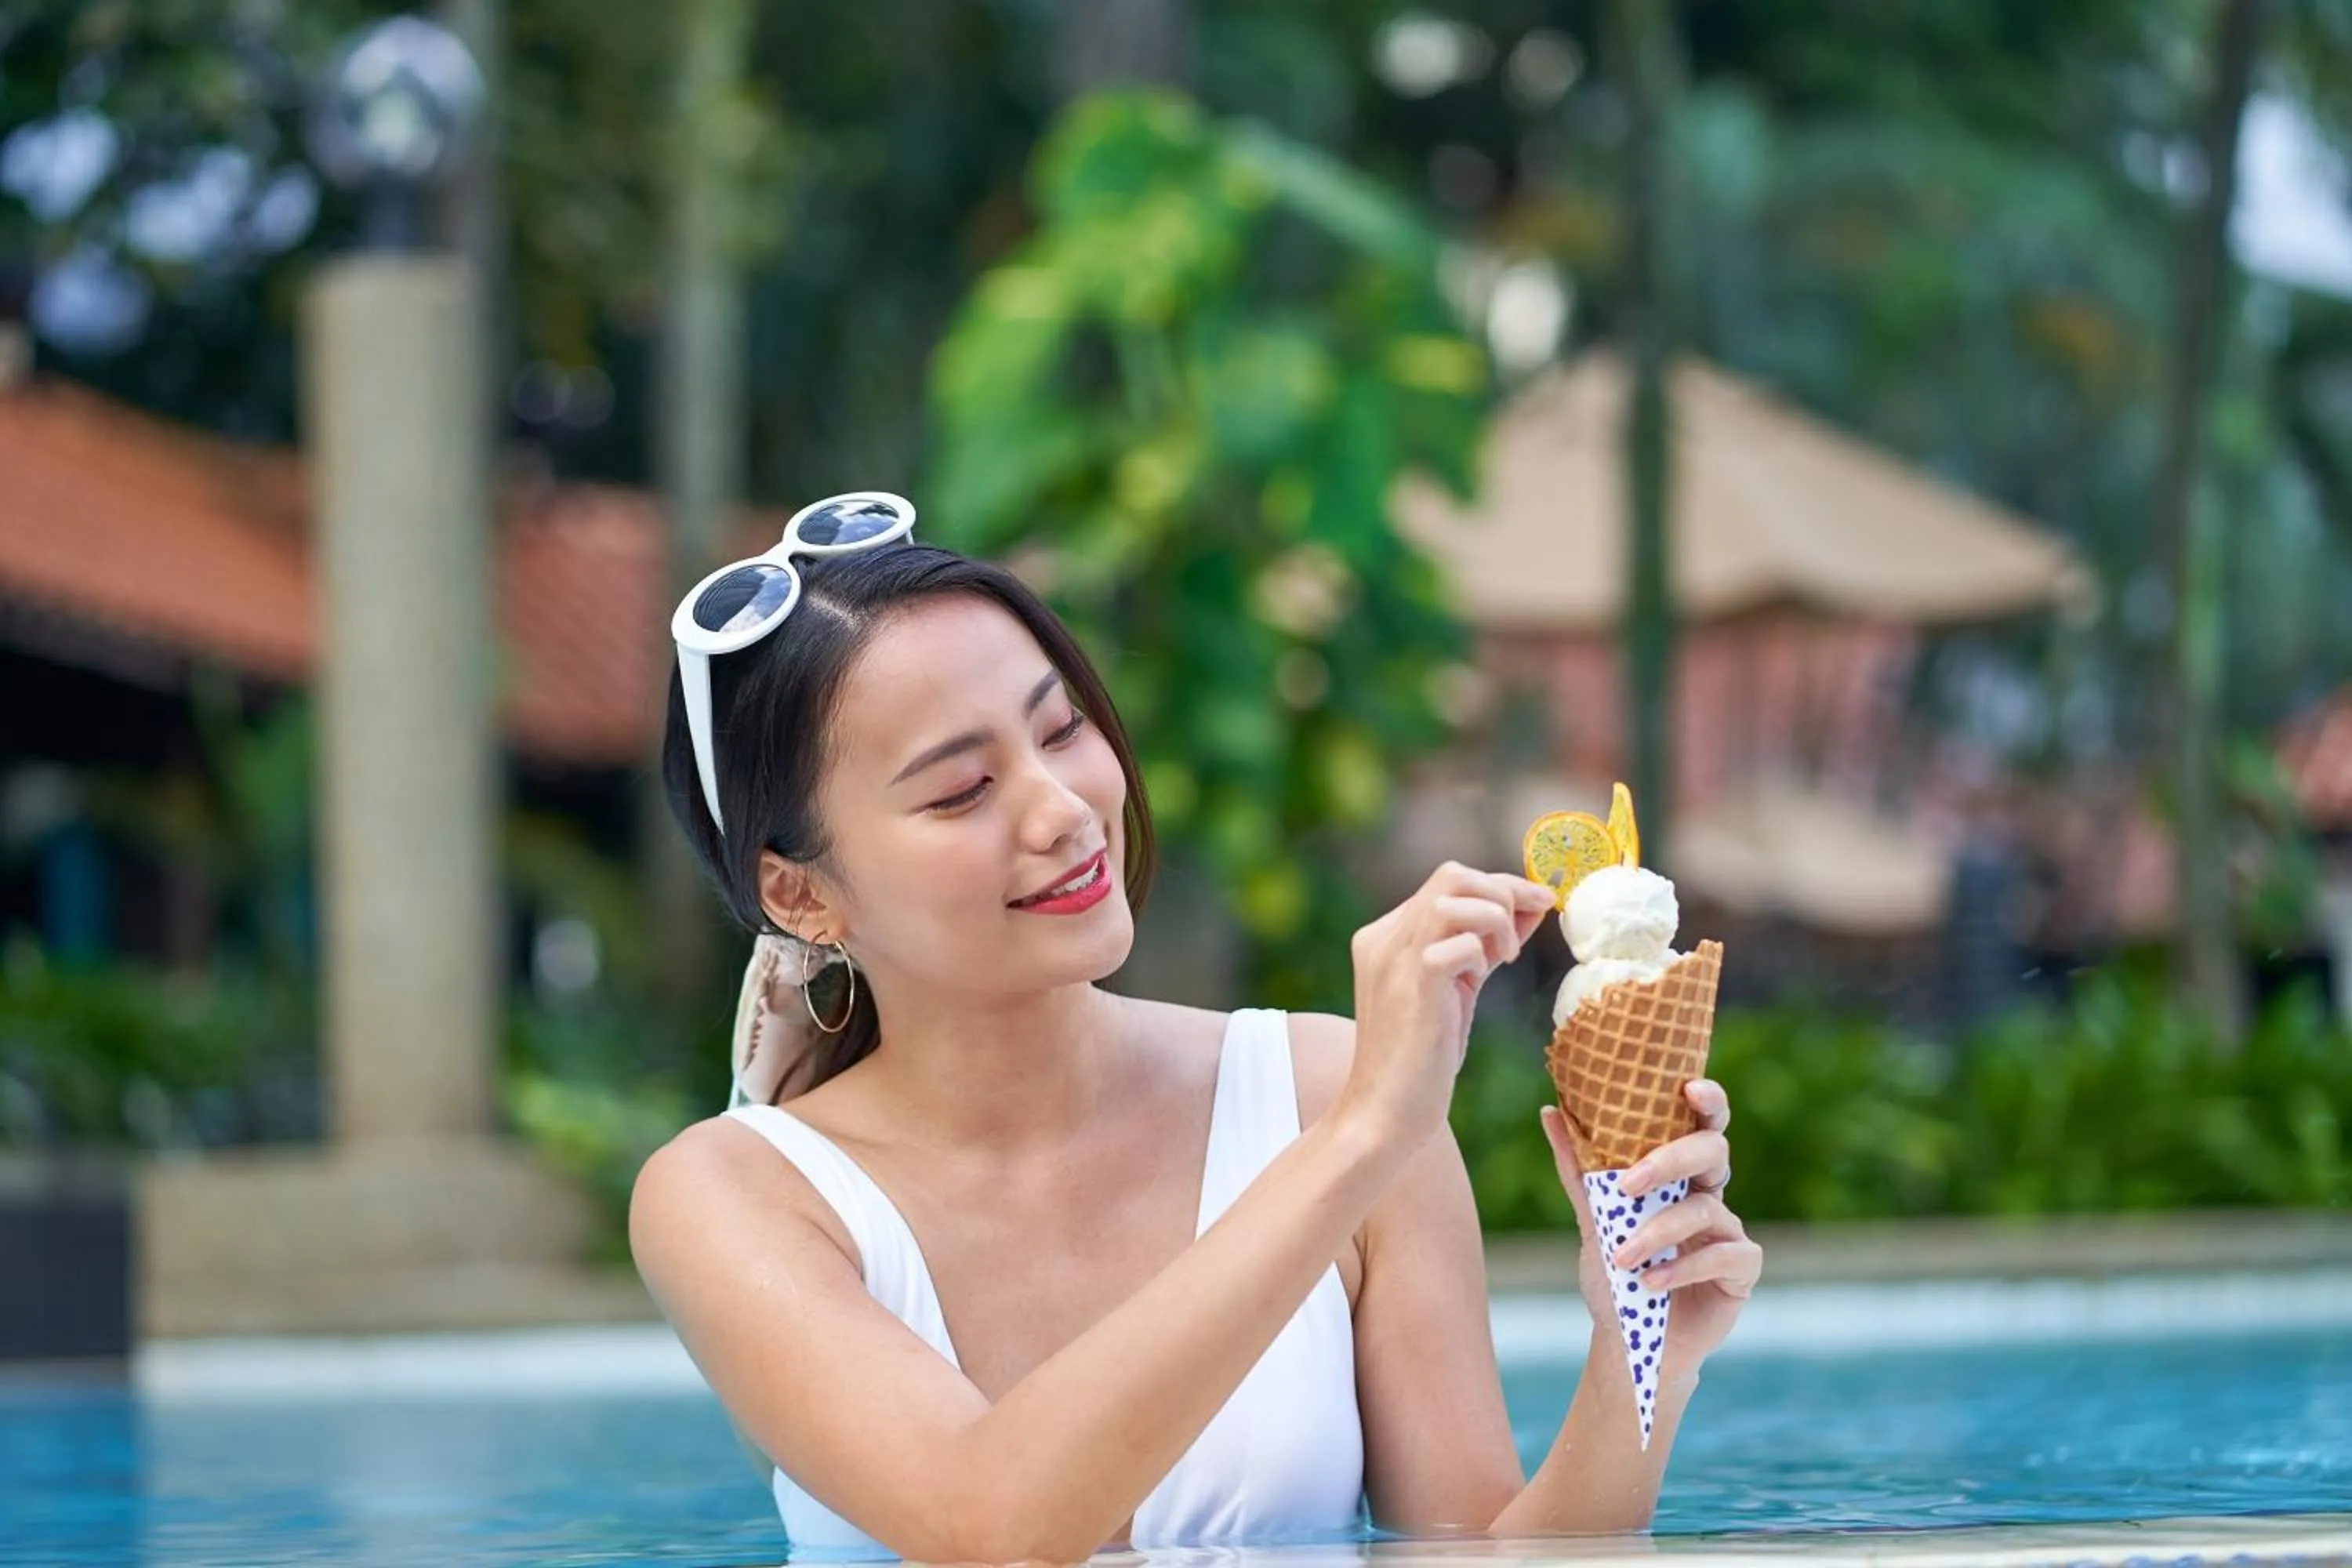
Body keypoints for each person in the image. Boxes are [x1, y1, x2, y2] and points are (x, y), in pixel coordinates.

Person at [630, 492, 1762, 1563]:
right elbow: (989, 1526)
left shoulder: (1324, 1090)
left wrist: (1641, 1352)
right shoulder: (733, 1198)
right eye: (962, 791)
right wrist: (1362, 1141)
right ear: (799, 896)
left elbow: (1471, 1557)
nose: (1066, 807)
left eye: (1061, 728)